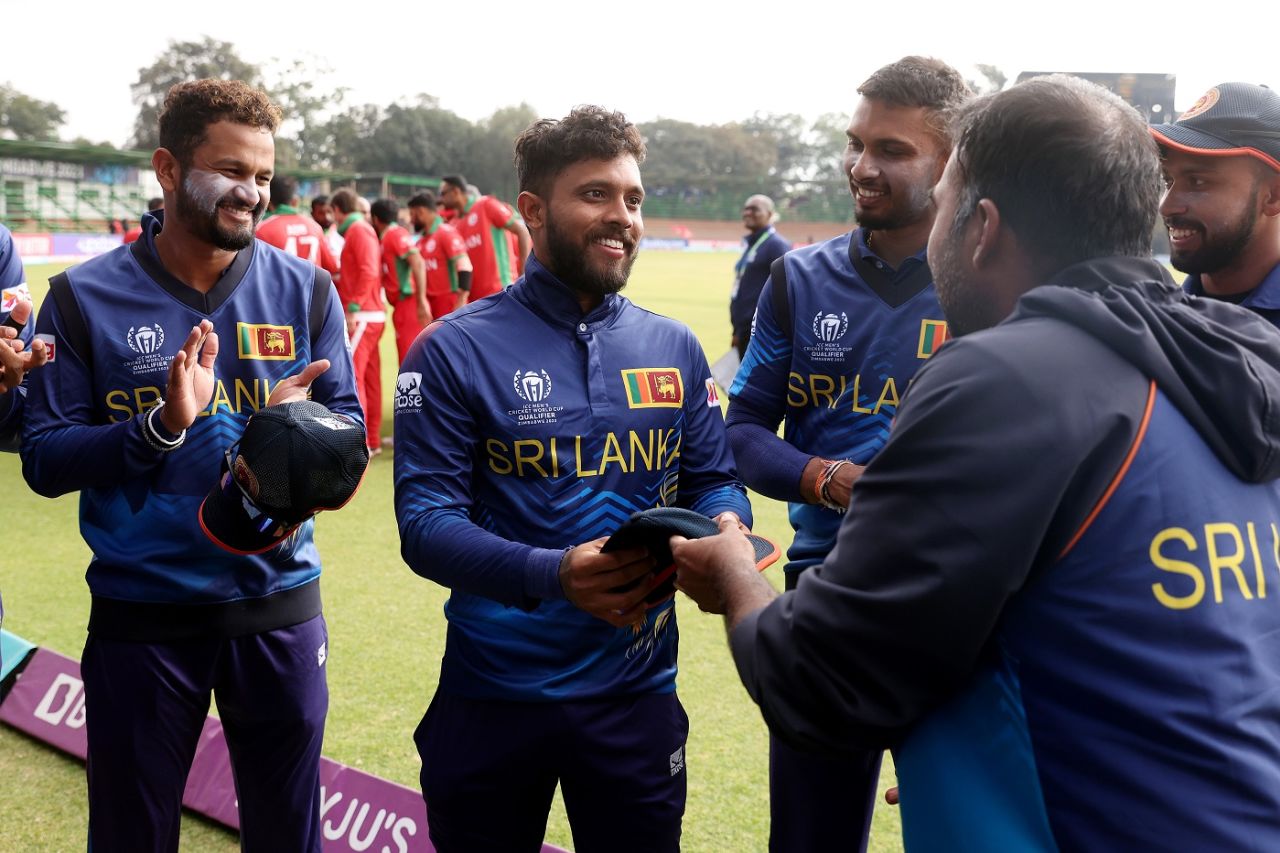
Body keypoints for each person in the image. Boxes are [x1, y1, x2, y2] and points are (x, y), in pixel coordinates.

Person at [672, 73, 1280, 850]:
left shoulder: (1006, 378)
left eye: (943, 199)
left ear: (980, 227)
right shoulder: (1242, 351)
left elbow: (819, 680)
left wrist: (733, 575)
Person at [394, 105, 752, 853]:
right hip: (492, 693)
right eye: (595, 194)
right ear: (533, 210)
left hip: (637, 697)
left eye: (633, 198)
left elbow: (713, 478)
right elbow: (424, 523)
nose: (621, 216)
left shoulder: (675, 347)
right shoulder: (449, 350)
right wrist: (555, 574)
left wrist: (727, 531)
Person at [21, 78, 362, 853]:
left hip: (278, 608)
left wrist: (291, 437)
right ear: (168, 170)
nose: (251, 193)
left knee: (289, 838)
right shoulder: (79, 298)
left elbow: (348, 438)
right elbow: (43, 458)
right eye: (232, 171)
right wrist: (161, 426)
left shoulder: (307, 292)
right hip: (143, 617)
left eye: (264, 178)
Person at [724, 55, 970, 853]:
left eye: (892, 150)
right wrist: (825, 478)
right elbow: (743, 431)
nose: (862, 167)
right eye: (857, 143)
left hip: (964, 603)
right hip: (826, 590)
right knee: (811, 835)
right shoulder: (799, 277)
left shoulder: (994, 281)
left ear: (954, 159)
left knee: (966, 829)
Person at [1151, 82, 1280, 327]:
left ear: (1273, 196)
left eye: (1198, 181)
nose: (1166, 207)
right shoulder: (1159, 318)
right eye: (1168, 181)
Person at [330, 188, 385, 454]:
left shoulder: (358, 231)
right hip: (371, 313)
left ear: (338, 210)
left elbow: (369, 270)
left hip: (363, 314)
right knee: (370, 378)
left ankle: (360, 442)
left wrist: (352, 307)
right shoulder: (361, 230)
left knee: (354, 378)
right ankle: (371, 440)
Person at [438, 173, 531, 302]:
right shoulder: (453, 224)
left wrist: (524, 274)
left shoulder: (485, 205)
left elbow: (522, 231)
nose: (441, 199)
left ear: (455, 191)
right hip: (476, 302)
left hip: (502, 292)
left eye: (443, 194)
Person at [729, 194, 790, 359]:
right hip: (744, 331)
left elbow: (787, 291)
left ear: (770, 214)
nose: (748, 212)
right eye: (746, 208)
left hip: (762, 333)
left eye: (754, 209)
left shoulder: (777, 246)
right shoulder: (754, 244)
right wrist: (737, 330)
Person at [370, 197, 430, 363]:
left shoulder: (395, 234)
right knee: (408, 359)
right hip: (402, 306)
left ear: (375, 219)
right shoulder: (387, 237)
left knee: (411, 360)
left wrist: (421, 300)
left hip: (408, 304)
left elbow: (417, 261)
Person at [256, 175, 339, 275]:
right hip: (312, 289)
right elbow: (333, 266)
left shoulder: (261, 229)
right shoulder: (314, 227)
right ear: (295, 202)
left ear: (269, 202)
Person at [408, 191, 473, 319]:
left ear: (421, 211)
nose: (410, 220)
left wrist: (461, 300)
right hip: (432, 305)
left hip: (450, 304)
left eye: (412, 214)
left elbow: (465, 265)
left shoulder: (445, 233)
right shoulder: (421, 241)